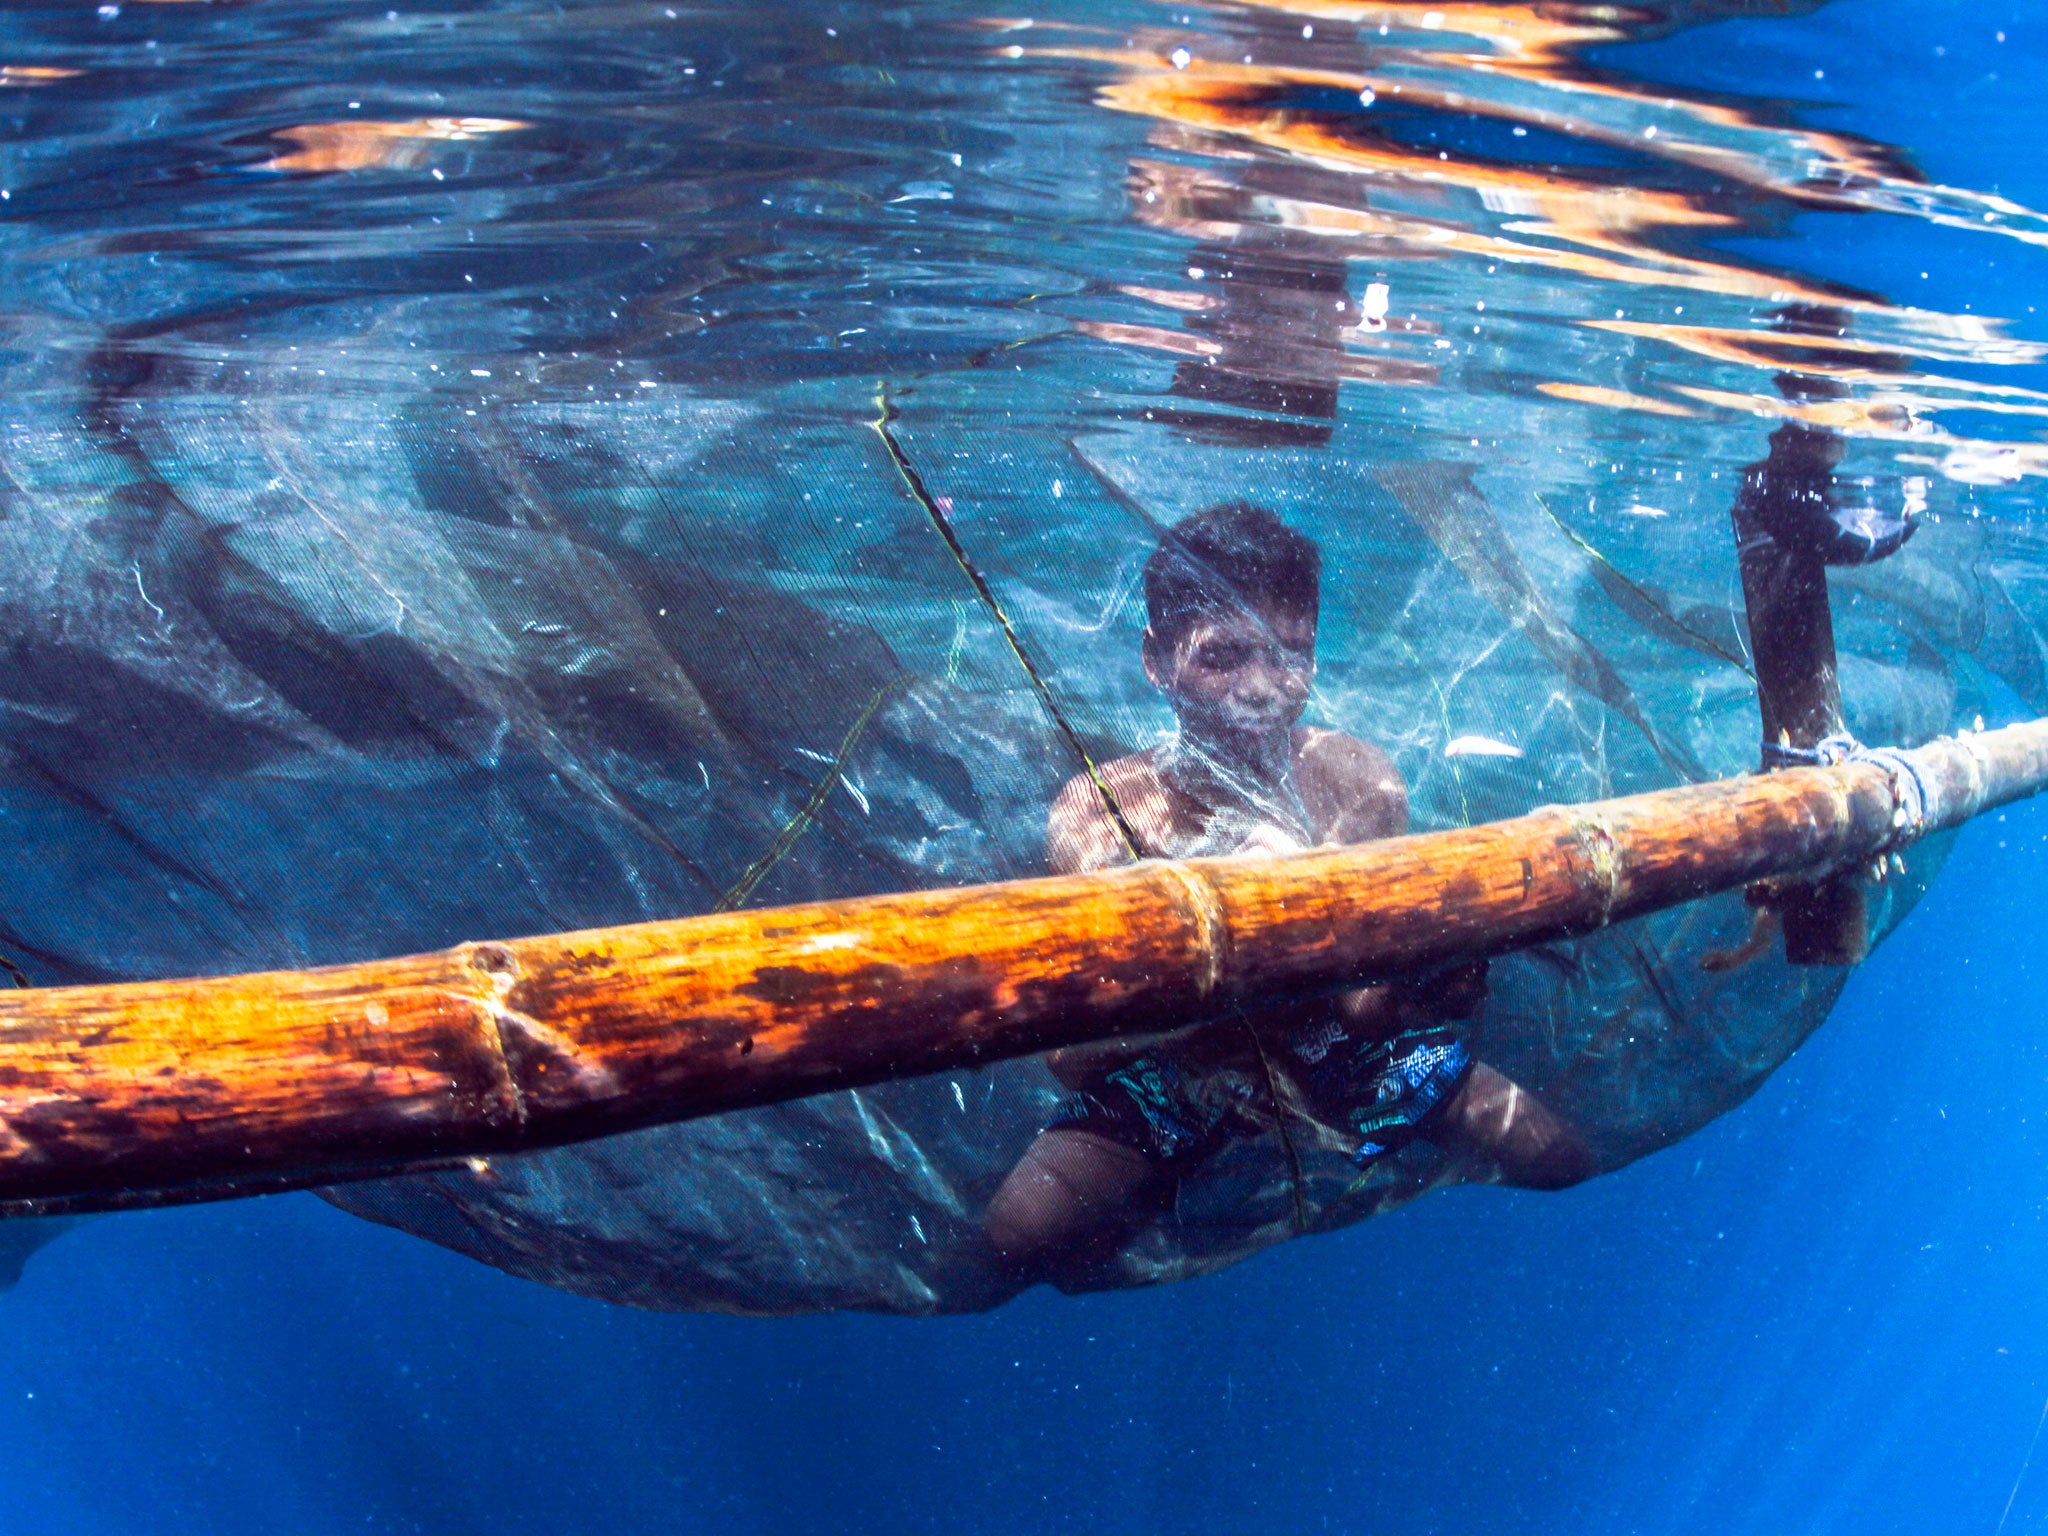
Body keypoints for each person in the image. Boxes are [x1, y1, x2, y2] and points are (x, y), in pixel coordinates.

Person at [983, 503, 1592, 1271]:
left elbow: (1359, 1005)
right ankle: (1159, 1192)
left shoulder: (1357, 780)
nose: (1262, 689)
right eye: (1222, 657)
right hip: (1179, 1061)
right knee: (1015, 1236)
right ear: (1156, 660)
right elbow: (1071, 1053)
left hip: (1333, 1041)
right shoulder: (1103, 809)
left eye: (1291, 654)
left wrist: (1417, 993)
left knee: (1560, 1158)